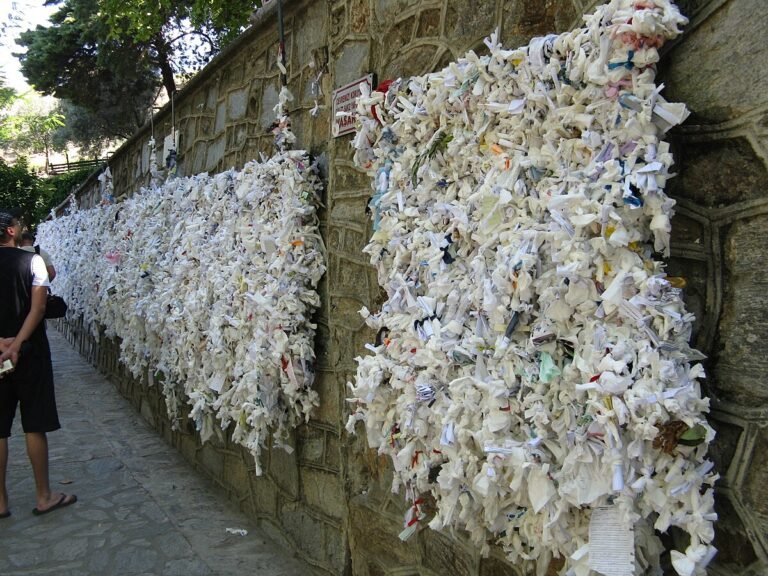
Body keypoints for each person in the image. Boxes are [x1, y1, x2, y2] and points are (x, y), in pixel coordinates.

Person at [0, 209, 76, 518]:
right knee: (34, 424)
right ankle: (44, 496)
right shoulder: (32, 261)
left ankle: (1, 502)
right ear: (9, 232)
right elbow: (39, 306)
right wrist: (18, 344)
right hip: (30, 353)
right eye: (17, 225)